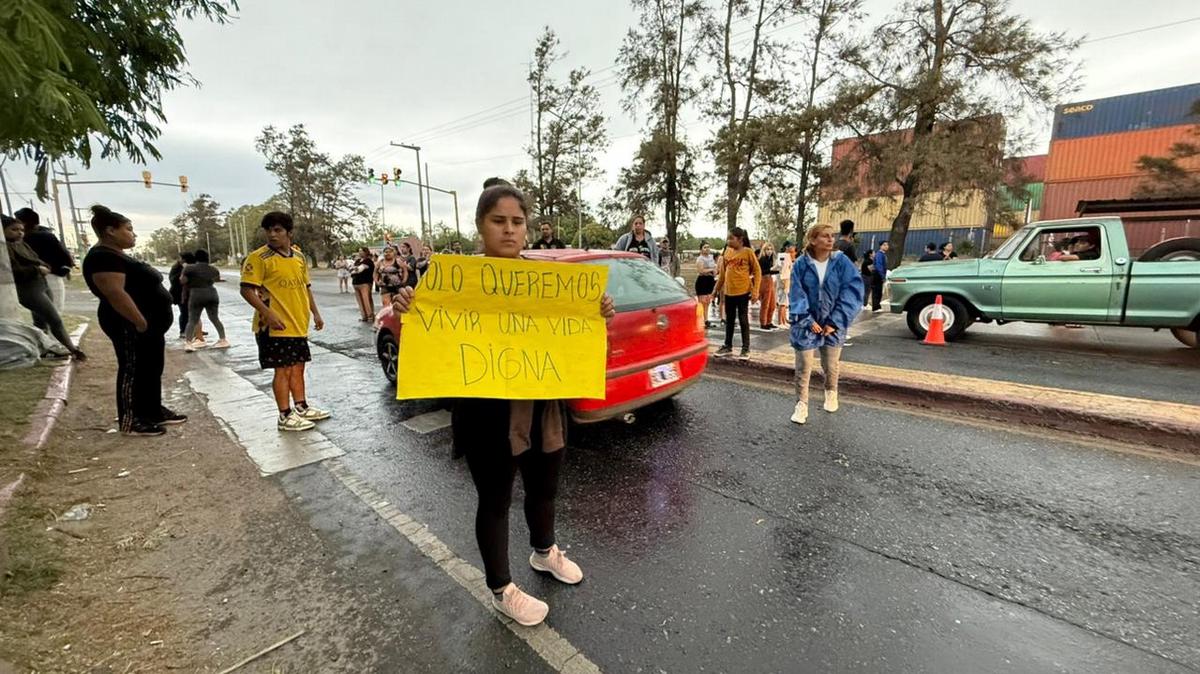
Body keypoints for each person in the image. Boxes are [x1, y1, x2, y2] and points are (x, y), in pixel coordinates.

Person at [390, 182, 616, 627]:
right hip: (487, 416)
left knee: (544, 489)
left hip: (543, 409)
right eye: (499, 221)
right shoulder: (452, 283)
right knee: (495, 500)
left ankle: (544, 551)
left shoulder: (551, 285)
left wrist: (597, 315)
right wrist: (408, 311)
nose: (510, 231)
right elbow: (432, 341)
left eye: (518, 222)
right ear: (481, 226)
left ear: (528, 228)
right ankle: (501, 587)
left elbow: (579, 344)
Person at [82, 205, 185, 436]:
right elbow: (115, 293)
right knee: (132, 369)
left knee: (151, 367)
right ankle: (131, 420)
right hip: (127, 323)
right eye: (128, 229)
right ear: (110, 231)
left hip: (149, 325)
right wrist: (139, 321)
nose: (133, 234)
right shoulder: (102, 257)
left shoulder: (117, 255)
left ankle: (152, 411)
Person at [239, 212, 329, 432]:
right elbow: (246, 289)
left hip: (298, 323)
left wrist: (315, 313)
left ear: (289, 233)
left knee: (298, 367)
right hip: (274, 326)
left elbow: (305, 287)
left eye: (278, 230)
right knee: (283, 370)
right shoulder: (259, 258)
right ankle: (284, 414)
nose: (272, 234)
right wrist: (267, 313)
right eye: (269, 230)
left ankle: (301, 406)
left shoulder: (298, 257)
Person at [787, 224, 864, 425]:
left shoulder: (841, 262)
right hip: (806, 323)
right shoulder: (801, 264)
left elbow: (852, 291)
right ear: (813, 240)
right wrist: (806, 320)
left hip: (833, 322)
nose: (831, 240)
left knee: (830, 364)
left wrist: (836, 321)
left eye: (832, 236)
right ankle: (801, 405)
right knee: (803, 366)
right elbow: (796, 293)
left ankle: (831, 391)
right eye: (825, 236)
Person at [4, 214, 86, 360]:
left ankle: (45, 347)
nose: (19, 232)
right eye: (14, 229)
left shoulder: (21, 243)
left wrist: (44, 266)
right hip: (28, 288)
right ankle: (72, 348)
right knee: (54, 318)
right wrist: (37, 269)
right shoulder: (5, 248)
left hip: (40, 283)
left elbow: (36, 259)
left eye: (21, 229)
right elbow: (13, 271)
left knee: (41, 321)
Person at [712, 227, 760, 360]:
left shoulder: (747, 252)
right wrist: (715, 291)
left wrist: (755, 290)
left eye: (731, 238)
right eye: (727, 238)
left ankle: (745, 349)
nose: (728, 240)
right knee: (730, 320)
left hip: (743, 291)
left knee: (743, 319)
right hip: (729, 292)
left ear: (740, 239)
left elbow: (757, 271)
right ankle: (727, 346)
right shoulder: (726, 252)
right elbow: (722, 274)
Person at [15, 208, 73, 312]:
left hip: (37, 277)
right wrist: (65, 269)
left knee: (42, 313)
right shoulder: (46, 235)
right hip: (50, 275)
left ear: (24, 222)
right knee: (54, 311)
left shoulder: (24, 239)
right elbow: (65, 256)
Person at [181, 249, 229, 352]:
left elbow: (182, 280)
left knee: (193, 319)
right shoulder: (213, 269)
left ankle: (189, 343)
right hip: (212, 293)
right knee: (214, 318)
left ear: (196, 258)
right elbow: (216, 279)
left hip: (196, 294)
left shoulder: (189, 268)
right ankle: (223, 339)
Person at [694, 241, 718, 328]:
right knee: (702, 302)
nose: (707, 249)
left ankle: (706, 320)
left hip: (710, 280)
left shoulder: (711, 258)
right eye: (705, 247)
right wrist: (711, 269)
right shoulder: (700, 259)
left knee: (708, 301)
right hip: (702, 281)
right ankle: (700, 320)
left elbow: (715, 268)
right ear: (701, 249)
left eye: (708, 247)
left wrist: (714, 271)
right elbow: (701, 270)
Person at [757, 242, 780, 330]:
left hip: (769, 279)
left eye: (771, 249)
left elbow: (769, 271)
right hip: (764, 280)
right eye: (767, 249)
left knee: (772, 303)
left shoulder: (770, 259)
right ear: (764, 250)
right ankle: (763, 322)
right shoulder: (762, 259)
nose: (769, 251)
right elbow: (763, 271)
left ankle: (769, 321)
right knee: (765, 303)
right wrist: (773, 270)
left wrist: (777, 270)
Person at [351, 247, 375, 321]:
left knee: (366, 299)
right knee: (359, 300)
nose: (360, 253)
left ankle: (370, 315)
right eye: (359, 251)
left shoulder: (368, 261)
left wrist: (354, 269)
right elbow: (352, 269)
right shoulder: (358, 260)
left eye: (361, 251)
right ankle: (364, 316)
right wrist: (354, 269)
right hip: (356, 282)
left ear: (366, 252)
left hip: (365, 282)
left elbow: (359, 270)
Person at [776, 242, 796, 328]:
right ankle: (780, 322)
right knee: (782, 302)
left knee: (785, 302)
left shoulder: (787, 257)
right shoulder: (782, 256)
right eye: (791, 249)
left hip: (786, 280)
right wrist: (784, 282)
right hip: (783, 281)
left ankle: (784, 321)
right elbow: (781, 268)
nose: (793, 252)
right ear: (787, 247)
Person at [870, 242, 889, 312]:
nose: (886, 246)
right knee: (876, 291)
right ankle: (875, 307)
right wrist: (882, 276)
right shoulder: (879, 254)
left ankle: (877, 306)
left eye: (887, 245)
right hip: (877, 275)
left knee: (879, 291)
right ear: (880, 246)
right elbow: (879, 266)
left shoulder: (882, 254)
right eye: (884, 245)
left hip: (879, 274)